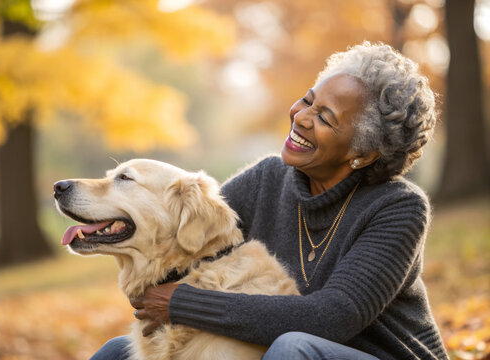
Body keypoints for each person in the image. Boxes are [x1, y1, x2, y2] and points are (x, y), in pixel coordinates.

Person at [90, 42, 448, 360]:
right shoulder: (266, 179)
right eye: (309, 100)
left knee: (292, 348)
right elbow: (182, 247)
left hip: (377, 354)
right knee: (117, 353)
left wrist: (182, 304)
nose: (302, 117)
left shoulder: (399, 208)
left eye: (325, 118)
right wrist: (115, 228)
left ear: (363, 154)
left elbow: (331, 318)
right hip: (279, 348)